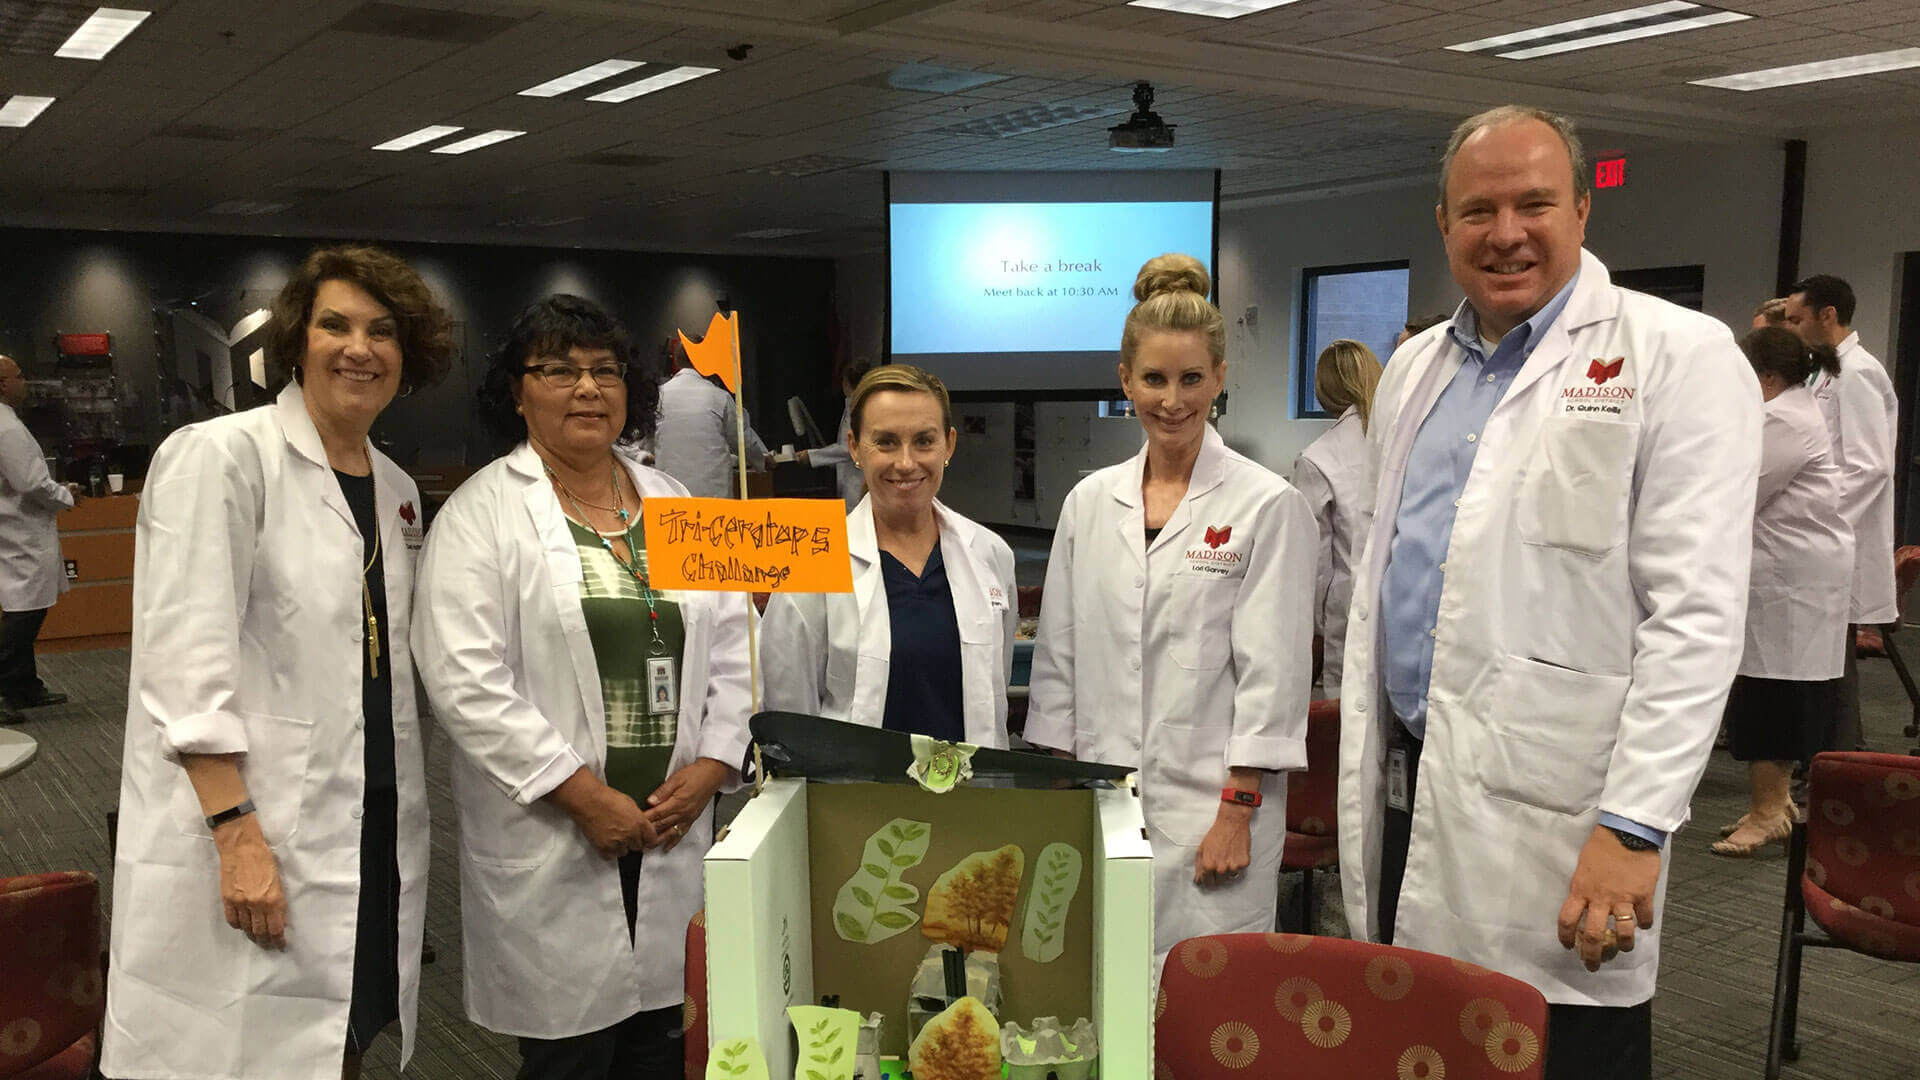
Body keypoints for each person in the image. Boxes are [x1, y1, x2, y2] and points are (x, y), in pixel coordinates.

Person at [1335, 106, 1759, 1080]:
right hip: (1408, 782)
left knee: (1559, 1049)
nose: (1507, 232)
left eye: (1535, 203)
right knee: (1421, 1036)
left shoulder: (1679, 357)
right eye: (1479, 209)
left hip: (1567, 815)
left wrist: (1635, 824)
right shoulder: (1413, 370)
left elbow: (1695, 617)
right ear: (1443, 221)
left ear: (1582, 208)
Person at [103, 244, 452, 1080]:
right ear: (297, 340)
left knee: (344, 1028)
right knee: (239, 1049)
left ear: (408, 357)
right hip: (251, 818)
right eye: (335, 325)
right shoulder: (222, 456)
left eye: (382, 331)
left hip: (367, 815)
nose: (358, 348)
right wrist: (236, 834)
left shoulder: (398, 487)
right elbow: (184, 664)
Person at [413, 294, 752, 1079]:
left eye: (603, 370)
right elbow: (465, 678)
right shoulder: (480, 515)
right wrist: (582, 795)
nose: (587, 388)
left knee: (666, 1044)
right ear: (518, 391)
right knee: (570, 1058)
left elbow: (736, 645)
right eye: (559, 371)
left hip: (674, 820)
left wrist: (712, 765)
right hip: (563, 831)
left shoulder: (677, 503)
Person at [1026, 253, 1316, 975]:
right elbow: (1059, 660)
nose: (1172, 400)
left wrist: (1238, 810)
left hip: (1213, 814)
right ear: (1125, 381)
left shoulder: (1267, 505)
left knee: (1208, 1006)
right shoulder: (1089, 503)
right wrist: (1061, 794)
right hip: (1101, 801)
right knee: (1098, 986)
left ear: (1220, 377)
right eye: (1153, 379)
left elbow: (1273, 677)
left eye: (1192, 379)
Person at [761, 364, 1016, 747]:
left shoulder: (991, 554)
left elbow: (997, 682)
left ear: (949, 445)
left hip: (972, 798)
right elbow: (791, 717)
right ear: (854, 448)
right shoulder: (813, 561)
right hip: (855, 798)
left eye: (924, 441)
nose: (906, 462)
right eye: (886, 442)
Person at [1713, 328, 1850, 857]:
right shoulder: (1791, 408)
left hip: (1790, 578)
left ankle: (1770, 810)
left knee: (1772, 691)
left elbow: (1738, 488)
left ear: (1765, 376)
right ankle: (1770, 803)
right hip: (1789, 573)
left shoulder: (1785, 418)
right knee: (1772, 687)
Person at [1785, 273, 1896, 754]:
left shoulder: (1859, 372)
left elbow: (1870, 466)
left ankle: (1839, 765)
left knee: (1833, 665)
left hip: (1835, 537)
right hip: (1819, 536)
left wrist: (1818, 521)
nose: (1790, 328)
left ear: (1826, 315)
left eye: (1796, 318)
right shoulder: (1825, 369)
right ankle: (1826, 764)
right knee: (1818, 662)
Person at [1290, 339, 1382, 695]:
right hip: (1397, 604)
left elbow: (1314, 564)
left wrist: (1308, 629)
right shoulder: (1399, 438)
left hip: (1346, 610)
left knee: (1347, 716)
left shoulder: (1318, 458)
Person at [0, 354, 79, 722]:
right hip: (20, 531)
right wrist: (65, 494)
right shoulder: (7, 428)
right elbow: (31, 483)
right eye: (19, 376)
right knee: (24, 613)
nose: (25, 382)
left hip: (14, 530)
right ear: (3, 384)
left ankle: (23, 686)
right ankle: (6, 690)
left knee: (26, 608)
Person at [649, 336, 772, 498]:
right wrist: (762, 461)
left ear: (677, 361)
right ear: (706, 359)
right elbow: (742, 442)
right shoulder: (718, 396)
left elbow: (644, 444)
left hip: (670, 498)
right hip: (713, 497)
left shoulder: (658, 397)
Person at [799, 357, 874, 509]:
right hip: (851, 480)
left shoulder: (860, 407)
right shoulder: (852, 404)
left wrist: (813, 456)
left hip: (858, 482)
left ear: (846, 382)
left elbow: (849, 448)